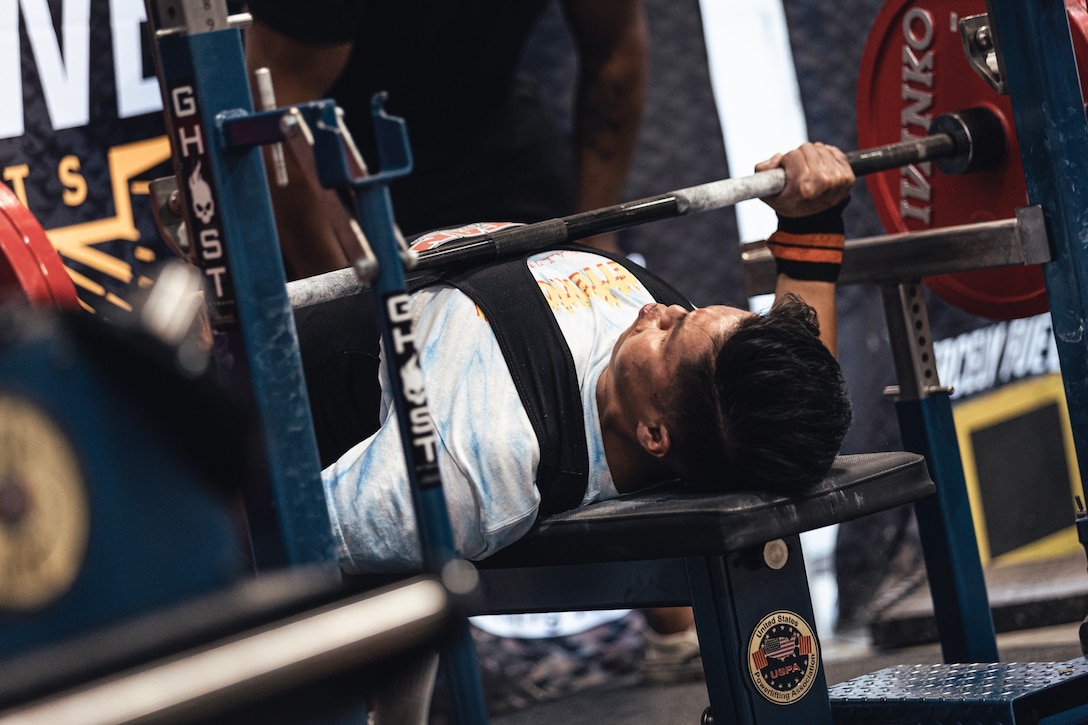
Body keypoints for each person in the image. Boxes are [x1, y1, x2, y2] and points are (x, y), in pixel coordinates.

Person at [295, 141, 855, 573]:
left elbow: (286, 537)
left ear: (653, 434)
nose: (656, 309)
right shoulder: (709, 381)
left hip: (266, 366)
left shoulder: (484, 464)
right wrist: (811, 226)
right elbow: (790, 410)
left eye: (671, 330)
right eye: (688, 310)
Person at [243, 0, 649, 278]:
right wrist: (343, 299)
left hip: (487, 127)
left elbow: (615, 51)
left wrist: (596, 235)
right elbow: (279, 118)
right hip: (338, 169)